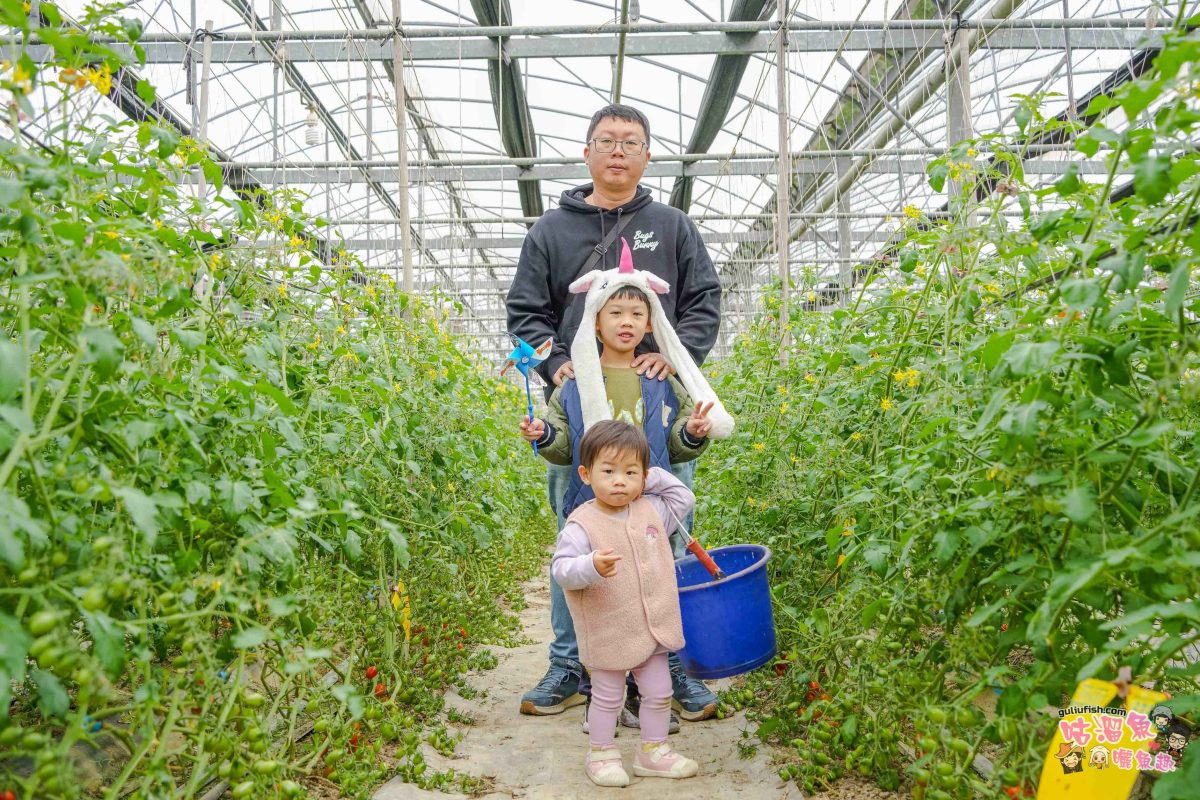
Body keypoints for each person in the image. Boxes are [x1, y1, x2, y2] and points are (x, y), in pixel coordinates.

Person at [506, 101, 722, 724]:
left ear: (648, 154)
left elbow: (704, 300)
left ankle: (669, 666)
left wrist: (675, 363)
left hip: (651, 416)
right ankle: (571, 665)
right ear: (587, 153)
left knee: (665, 547)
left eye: (631, 142)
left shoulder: (672, 226)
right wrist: (555, 368)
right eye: (606, 141)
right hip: (584, 420)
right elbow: (527, 312)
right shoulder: (550, 231)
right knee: (576, 545)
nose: (618, 151)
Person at [550, 420, 700, 787]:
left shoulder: (652, 511)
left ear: (644, 477)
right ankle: (600, 753)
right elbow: (562, 570)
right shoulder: (581, 525)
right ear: (586, 475)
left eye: (630, 472)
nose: (620, 480)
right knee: (606, 697)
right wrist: (591, 566)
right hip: (609, 629)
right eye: (609, 471)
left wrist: (650, 479)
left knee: (660, 692)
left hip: (652, 627)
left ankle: (654, 751)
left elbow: (684, 497)